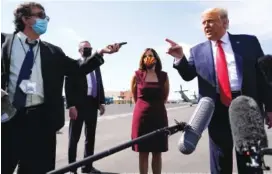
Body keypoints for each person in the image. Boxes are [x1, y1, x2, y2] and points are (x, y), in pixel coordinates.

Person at [1, 2, 122, 174]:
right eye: (41, 15)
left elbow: (76, 69)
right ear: (26, 19)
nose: (46, 20)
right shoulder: (4, 42)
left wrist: (100, 53)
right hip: (9, 119)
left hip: (41, 121)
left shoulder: (53, 52)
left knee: (38, 169)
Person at [166, 8, 272, 174]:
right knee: (220, 162)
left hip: (246, 108)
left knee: (251, 162)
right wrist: (180, 58)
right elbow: (188, 75)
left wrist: (270, 107)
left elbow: (263, 77)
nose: (206, 26)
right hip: (216, 111)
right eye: (203, 23)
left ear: (225, 23)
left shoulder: (249, 43)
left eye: (210, 21)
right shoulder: (197, 51)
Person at [65, 41, 106, 174]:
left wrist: (101, 102)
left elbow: (99, 84)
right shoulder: (75, 65)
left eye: (90, 48)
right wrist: (71, 105)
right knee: (74, 138)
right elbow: (68, 86)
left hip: (92, 104)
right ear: (79, 50)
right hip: (78, 105)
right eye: (85, 48)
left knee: (90, 137)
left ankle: (87, 167)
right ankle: (72, 168)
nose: (88, 50)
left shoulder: (96, 66)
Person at [130, 48, 169, 174]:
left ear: (156, 58)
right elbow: (135, 97)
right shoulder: (137, 75)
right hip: (142, 119)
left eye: (151, 56)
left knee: (157, 153)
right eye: (145, 56)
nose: (148, 58)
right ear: (142, 60)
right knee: (143, 152)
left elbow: (165, 96)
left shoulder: (163, 76)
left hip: (158, 117)